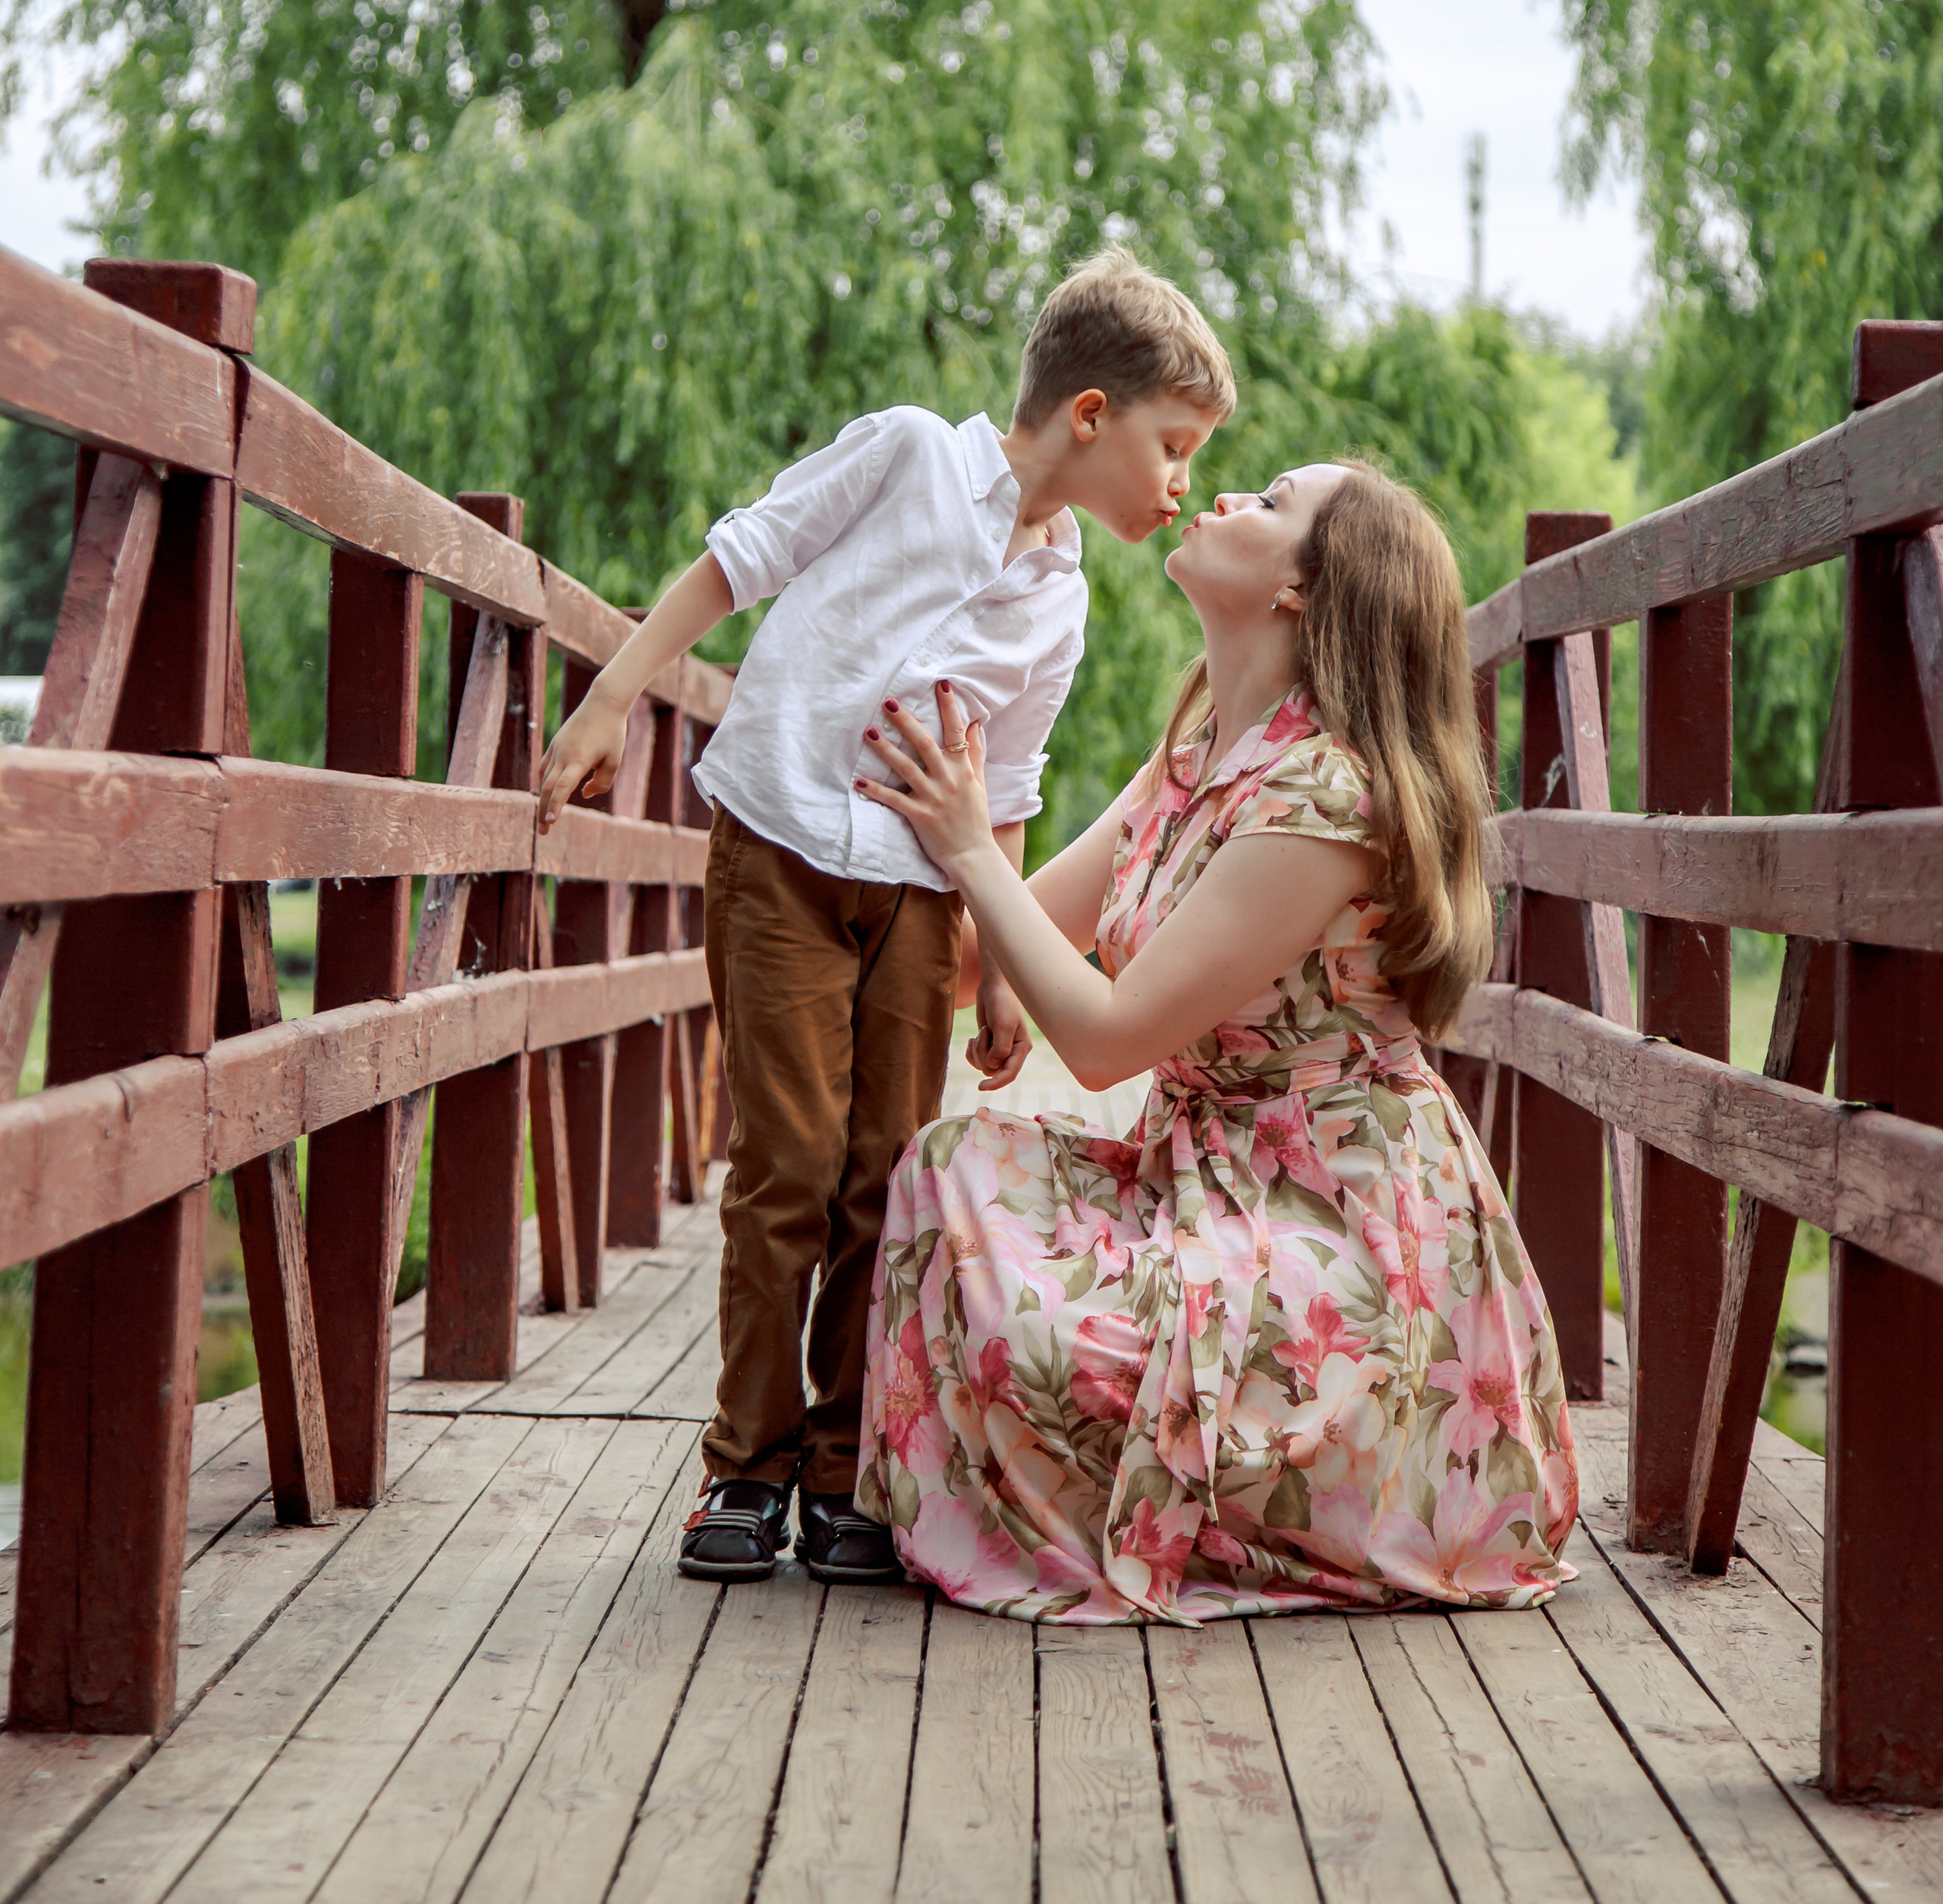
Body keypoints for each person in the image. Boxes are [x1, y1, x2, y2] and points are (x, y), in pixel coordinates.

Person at [534, 250, 1234, 1585]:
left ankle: (845, 1469)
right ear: (1091, 415)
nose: (1180, 482)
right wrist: (613, 699)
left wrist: (1007, 973)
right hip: (784, 846)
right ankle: (744, 1466)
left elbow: (1012, 783)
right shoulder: (908, 456)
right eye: (1173, 446)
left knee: (886, 1176)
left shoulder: (1062, 596)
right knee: (789, 1160)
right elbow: (736, 565)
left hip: (919, 897)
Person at [851, 459, 1579, 1622]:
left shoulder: (1332, 797)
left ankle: (1317, 1493)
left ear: (1305, 587)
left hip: (1337, 1230)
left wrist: (972, 847)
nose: (1227, 494)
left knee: (1047, 1326)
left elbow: (1099, 1040)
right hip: (1199, 1178)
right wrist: (799, 925)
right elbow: (1007, 946)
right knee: (951, 1167)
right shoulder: (1198, 758)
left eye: (1272, 500)